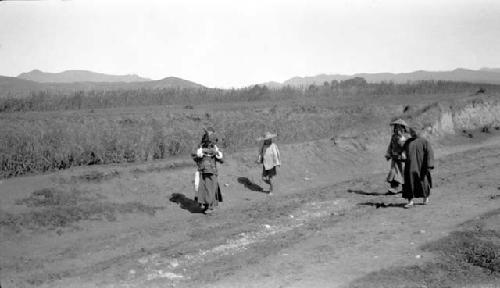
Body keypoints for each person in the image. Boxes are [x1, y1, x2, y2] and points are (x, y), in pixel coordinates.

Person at [192, 127, 223, 214]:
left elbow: (221, 159)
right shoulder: (201, 147)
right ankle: (206, 206)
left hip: (211, 171)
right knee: (203, 189)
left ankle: (211, 207)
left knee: (211, 189)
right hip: (202, 170)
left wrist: (216, 153)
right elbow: (194, 155)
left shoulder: (215, 148)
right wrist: (200, 153)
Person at [402, 127, 434, 208]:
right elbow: (403, 152)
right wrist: (402, 155)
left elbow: (430, 153)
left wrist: (429, 165)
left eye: (415, 132)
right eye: (412, 132)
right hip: (410, 166)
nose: (414, 133)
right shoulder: (407, 142)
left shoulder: (424, 141)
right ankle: (410, 201)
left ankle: (425, 198)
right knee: (409, 183)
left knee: (423, 181)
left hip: (421, 166)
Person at [385, 119, 409, 194]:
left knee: (402, 173)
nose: (396, 129)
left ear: (402, 128)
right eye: (395, 127)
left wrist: (401, 140)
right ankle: (394, 188)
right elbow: (390, 146)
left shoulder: (404, 137)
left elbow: (405, 147)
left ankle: (406, 188)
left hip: (402, 158)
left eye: (398, 127)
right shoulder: (393, 137)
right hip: (394, 157)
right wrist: (388, 154)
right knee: (394, 172)